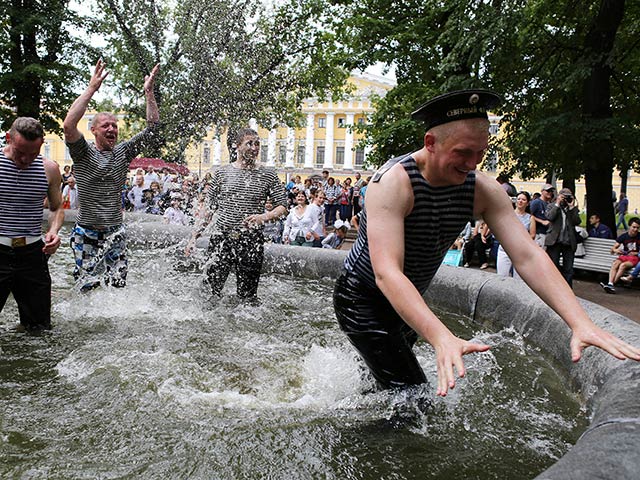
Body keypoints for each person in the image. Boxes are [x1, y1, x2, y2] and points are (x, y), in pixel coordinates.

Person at [333, 89, 640, 395]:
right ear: (431, 143)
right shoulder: (392, 184)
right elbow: (387, 273)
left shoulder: (481, 189)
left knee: (384, 386)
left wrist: (579, 322)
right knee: (412, 398)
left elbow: (527, 256)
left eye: (481, 153)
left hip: (409, 296)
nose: (473, 163)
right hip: (363, 298)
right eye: (464, 152)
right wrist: (441, 336)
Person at [63, 59, 160, 291]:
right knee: (88, 288)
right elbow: (68, 125)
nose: (111, 129)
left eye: (114, 126)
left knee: (118, 288)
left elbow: (153, 129)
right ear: (93, 130)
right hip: (86, 232)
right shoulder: (83, 153)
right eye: (105, 125)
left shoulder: (123, 152)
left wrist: (149, 93)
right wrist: (91, 89)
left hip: (115, 232)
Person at [184, 128, 287, 301]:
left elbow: (282, 206)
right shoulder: (222, 173)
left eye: (257, 144)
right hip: (222, 239)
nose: (254, 148)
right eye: (249, 143)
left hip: (251, 240)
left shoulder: (267, 174)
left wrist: (263, 217)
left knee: (248, 297)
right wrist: (193, 237)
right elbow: (208, 210)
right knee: (210, 290)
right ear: (237, 146)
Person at [0, 117, 65, 331]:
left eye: (33, 154)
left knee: (39, 329)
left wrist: (54, 231)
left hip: (32, 255)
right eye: (20, 153)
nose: (26, 160)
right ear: (9, 138)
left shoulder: (49, 169)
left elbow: (56, 209)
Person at [545, 188, 581, 287]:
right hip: (554, 241)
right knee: (553, 266)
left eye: (568, 196)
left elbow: (577, 221)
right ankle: (552, 287)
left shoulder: (572, 208)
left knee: (568, 268)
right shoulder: (552, 206)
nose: (566, 199)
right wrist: (557, 204)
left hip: (568, 242)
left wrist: (571, 207)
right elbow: (550, 217)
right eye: (564, 196)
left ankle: (568, 289)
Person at [497, 192, 535, 278]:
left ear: (528, 203)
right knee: (501, 276)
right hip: (505, 249)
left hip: (520, 251)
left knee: (518, 278)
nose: (520, 201)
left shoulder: (530, 218)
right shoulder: (507, 214)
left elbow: (532, 235)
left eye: (523, 199)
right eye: (519, 199)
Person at [600, 217, 640, 294]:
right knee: (615, 263)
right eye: (633, 227)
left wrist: (635, 253)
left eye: (637, 228)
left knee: (623, 265)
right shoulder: (624, 236)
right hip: (625, 256)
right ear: (629, 226)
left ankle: (611, 284)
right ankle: (610, 284)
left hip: (634, 258)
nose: (635, 230)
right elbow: (613, 249)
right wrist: (616, 250)